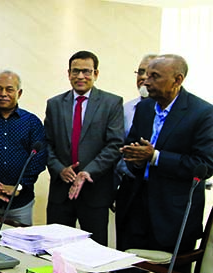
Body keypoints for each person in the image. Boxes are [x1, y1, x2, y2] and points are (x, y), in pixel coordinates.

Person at [118, 54, 213, 256]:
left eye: (155, 76)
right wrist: (131, 155)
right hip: (135, 208)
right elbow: (132, 146)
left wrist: (155, 157)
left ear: (177, 80)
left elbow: (204, 165)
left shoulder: (203, 113)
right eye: (145, 75)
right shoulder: (144, 107)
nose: (146, 81)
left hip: (172, 216)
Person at [44, 50, 124, 245]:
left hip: (94, 191)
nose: (80, 76)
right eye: (75, 71)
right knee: (54, 250)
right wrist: (59, 169)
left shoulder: (111, 103)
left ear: (96, 74)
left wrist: (88, 172)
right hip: (61, 192)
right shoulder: (54, 104)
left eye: (86, 71)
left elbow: (115, 145)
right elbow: (45, 144)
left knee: (94, 251)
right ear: (68, 73)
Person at [0, 71, 46, 226]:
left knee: (20, 248)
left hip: (21, 204)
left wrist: (18, 186)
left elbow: (39, 159)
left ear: (19, 93)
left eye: (9, 89)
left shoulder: (31, 122)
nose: (3, 94)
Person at [115, 54, 157, 188]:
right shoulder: (126, 109)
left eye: (150, 73)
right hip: (129, 184)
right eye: (141, 72)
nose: (144, 77)